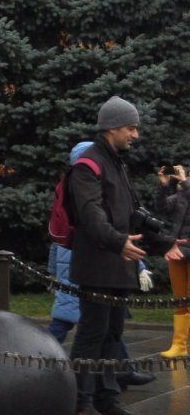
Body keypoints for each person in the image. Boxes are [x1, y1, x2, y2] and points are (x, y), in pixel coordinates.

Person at [67, 96, 146, 415]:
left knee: (113, 334)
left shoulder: (117, 161)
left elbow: (132, 213)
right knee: (92, 334)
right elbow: (92, 216)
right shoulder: (89, 164)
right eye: (131, 128)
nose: (135, 135)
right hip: (99, 266)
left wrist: (169, 240)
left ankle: (106, 398)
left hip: (118, 265)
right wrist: (118, 243)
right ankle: (80, 403)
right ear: (112, 128)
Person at [49, 141, 153, 387]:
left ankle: (119, 373)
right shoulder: (85, 185)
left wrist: (52, 273)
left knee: (105, 329)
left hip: (75, 274)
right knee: (89, 330)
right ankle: (59, 372)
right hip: (89, 271)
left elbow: (56, 244)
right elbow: (107, 233)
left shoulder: (76, 188)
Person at [154, 161, 190, 358]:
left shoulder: (186, 190)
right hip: (178, 250)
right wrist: (163, 184)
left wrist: (185, 184)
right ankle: (180, 345)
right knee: (180, 299)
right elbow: (161, 207)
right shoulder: (181, 196)